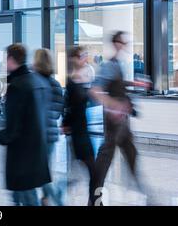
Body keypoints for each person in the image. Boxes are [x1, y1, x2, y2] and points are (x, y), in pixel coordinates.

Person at [89, 31, 149, 206]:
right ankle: (94, 199)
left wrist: (133, 84)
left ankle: (145, 193)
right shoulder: (110, 65)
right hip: (114, 123)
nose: (126, 45)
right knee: (104, 162)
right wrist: (113, 105)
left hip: (122, 123)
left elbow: (116, 86)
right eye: (123, 42)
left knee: (131, 155)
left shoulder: (118, 64)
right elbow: (94, 90)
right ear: (116, 43)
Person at [0, 44, 51, 206]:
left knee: (26, 195)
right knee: (25, 194)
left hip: (22, 154)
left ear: (11, 59)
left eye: (5, 59)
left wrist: (2, 136)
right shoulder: (38, 81)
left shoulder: (18, 86)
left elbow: (14, 126)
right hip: (37, 149)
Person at [62, 46, 97, 206]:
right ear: (75, 59)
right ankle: (95, 202)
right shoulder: (72, 82)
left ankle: (94, 202)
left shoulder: (81, 79)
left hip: (82, 131)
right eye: (83, 55)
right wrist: (66, 124)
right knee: (91, 172)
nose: (85, 58)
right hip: (78, 134)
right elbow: (69, 107)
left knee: (84, 174)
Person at [33, 49, 64, 206]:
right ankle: (46, 199)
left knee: (40, 172)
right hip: (51, 134)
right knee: (45, 169)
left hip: (39, 134)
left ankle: (57, 200)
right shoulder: (56, 84)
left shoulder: (35, 83)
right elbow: (58, 112)